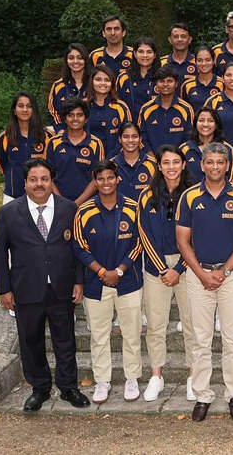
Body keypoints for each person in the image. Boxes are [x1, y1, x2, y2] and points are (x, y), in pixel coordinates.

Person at [0, 158, 90, 412]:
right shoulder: (8, 213)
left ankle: (68, 388)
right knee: (31, 341)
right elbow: (0, 253)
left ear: (51, 182)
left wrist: (79, 281)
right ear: (25, 183)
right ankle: (40, 389)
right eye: (33, 179)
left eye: (44, 179)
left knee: (65, 341)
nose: (39, 184)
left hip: (61, 287)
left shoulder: (69, 209)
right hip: (26, 289)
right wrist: (4, 289)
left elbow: (77, 248)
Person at [175, 143, 233, 422]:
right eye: (210, 162)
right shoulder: (189, 196)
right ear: (202, 164)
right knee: (201, 339)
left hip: (231, 276)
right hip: (198, 275)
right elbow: (182, 240)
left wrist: (224, 271)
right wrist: (201, 273)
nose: (215, 167)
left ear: (228, 165)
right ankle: (202, 395)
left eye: (220, 162)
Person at [72, 160, 144, 403]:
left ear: (117, 179)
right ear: (95, 181)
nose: (106, 183)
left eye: (110, 178)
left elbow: (139, 243)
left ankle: (132, 378)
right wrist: (103, 272)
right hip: (96, 283)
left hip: (128, 281)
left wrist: (120, 270)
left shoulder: (133, 207)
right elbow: (79, 246)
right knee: (99, 335)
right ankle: (102, 381)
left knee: (131, 333)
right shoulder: (84, 211)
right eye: (100, 178)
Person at [137, 146, 198, 403]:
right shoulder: (147, 195)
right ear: (159, 166)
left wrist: (180, 268)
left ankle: (194, 376)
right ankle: (156, 375)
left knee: (192, 324)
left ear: (183, 165)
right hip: (157, 267)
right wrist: (163, 268)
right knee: (155, 324)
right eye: (166, 162)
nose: (171, 167)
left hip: (188, 266)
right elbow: (143, 233)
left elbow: (198, 235)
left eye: (176, 162)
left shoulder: (194, 194)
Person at [45, 98, 104, 205]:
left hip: (87, 204)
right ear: (65, 119)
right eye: (70, 115)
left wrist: (76, 203)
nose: (75, 119)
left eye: (79, 115)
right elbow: (46, 175)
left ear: (86, 119)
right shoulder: (53, 142)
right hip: (57, 203)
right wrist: (62, 202)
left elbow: (97, 177)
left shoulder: (96, 143)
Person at [0, 92, 50, 203]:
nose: (25, 109)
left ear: (34, 110)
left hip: (41, 196)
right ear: (14, 111)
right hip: (13, 196)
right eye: (20, 106)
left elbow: (53, 165)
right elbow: (1, 164)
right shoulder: (4, 137)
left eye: (29, 106)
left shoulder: (47, 136)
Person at [138, 68, 195, 155]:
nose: (165, 84)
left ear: (176, 84)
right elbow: (141, 137)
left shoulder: (186, 109)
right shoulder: (146, 109)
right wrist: (151, 157)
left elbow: (190, 138)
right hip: (152, 160)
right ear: (156, 84)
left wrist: (177, 157)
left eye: (169, 81)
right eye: (161, 81)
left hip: (178, 160)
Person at [179, 107, 233, 184]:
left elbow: (232, 180)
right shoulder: (184, 149)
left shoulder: (227, 149)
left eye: (210, 121)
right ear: (195, 123)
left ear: (216, 124)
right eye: (201, 120)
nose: (205, 124)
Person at [85, 65, 132, 157]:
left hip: (115, 159)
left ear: (112, 83)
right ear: (91, 82)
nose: (103, 83)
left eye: (107, 80)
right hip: (88, 157)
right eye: (98, 79)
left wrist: (112, 159)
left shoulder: (120, 107)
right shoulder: (84, 106)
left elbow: (128, 135)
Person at [47, 43, 92, 132]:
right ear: (66, 61)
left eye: (80, 58)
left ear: (85, 60)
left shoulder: (94, 84)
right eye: (71, 58)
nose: (75, 61)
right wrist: (60, 129)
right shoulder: (58, 85)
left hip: (92, 134)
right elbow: (53, 112)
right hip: (65, 134)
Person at [116, 37, 159, 122]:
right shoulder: (124, 78)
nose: (145, 55)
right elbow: (118, 105)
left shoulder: (162, 78)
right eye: (141, 51)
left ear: (155, 55)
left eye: (149, 52)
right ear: (135, 54)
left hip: (156, 125)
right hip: (130, 127)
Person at [111, 122, 157, 201]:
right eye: (126, 137)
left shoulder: (153, 164)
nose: (130, 140)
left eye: (134, 136)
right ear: (120, 139)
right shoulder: (111, 165)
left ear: (140, 139)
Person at [180, 45, 224, 113]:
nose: (204, 64)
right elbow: (184, 111)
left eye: (208, 60)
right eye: (200, 60)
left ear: (213, 61)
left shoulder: (222, 83)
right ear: (195, 62)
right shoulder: (187, 85)